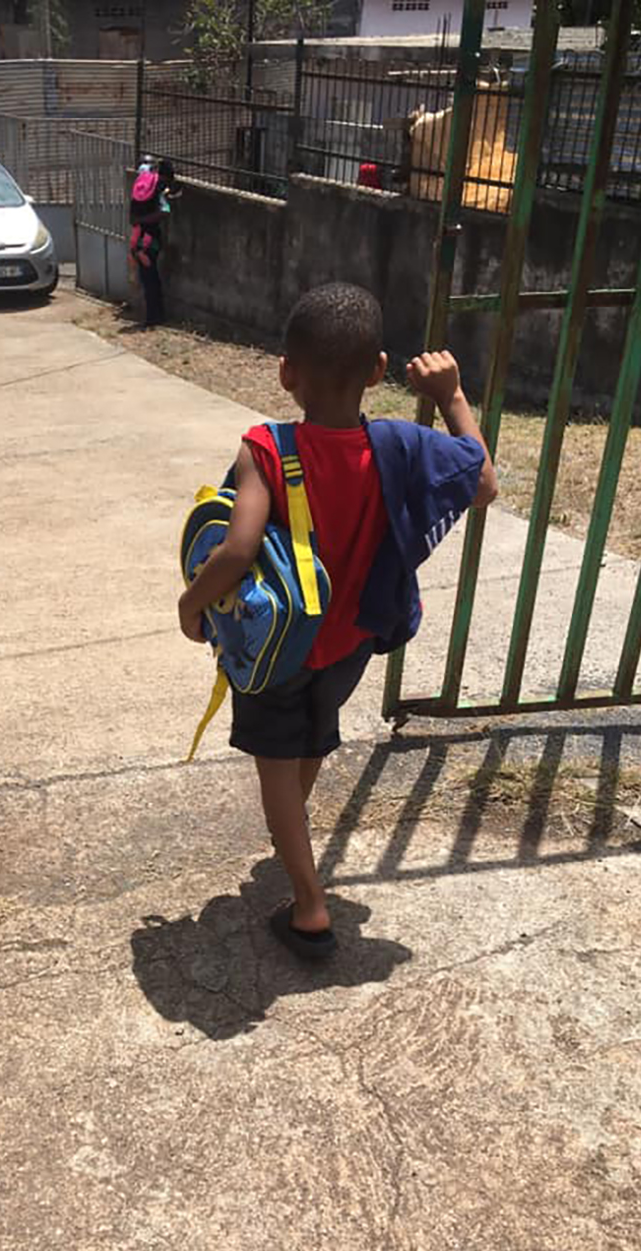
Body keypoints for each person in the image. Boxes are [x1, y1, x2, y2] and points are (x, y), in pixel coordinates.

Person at [177, 283, 497, 959]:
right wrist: (451, 396)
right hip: (349, 643)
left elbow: (236, 550)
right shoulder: (398, 445)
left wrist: (190, 604)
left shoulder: (265, 446)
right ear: (378, 371)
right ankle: (294, 843)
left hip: (275, 649)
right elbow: (483, 480)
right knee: (311, 739)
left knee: (274, 767)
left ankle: (310, 906)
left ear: (286, 372)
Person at [129, 158, 180, 329]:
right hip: (151, 237)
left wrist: (139, 220)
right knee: (150, 275)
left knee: (147, 276)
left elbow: (143, 166)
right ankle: (155, 315)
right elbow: (165, 211)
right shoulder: (160, 187)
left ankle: (154, 315)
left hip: (139, 235)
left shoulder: (145, 180)